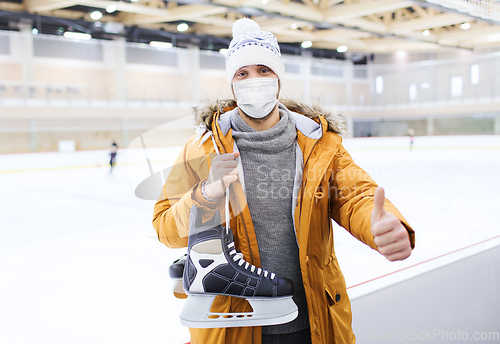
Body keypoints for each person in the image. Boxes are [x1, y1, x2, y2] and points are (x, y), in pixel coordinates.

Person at [153, 18, 415, 344]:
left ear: (279, 77)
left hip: (312, 321)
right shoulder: (201, 149)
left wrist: (385, 225)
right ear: (231, 84)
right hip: (233, 327)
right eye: (242, 73)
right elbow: (164, 226)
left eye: (264, 69)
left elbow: (355, 196)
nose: (254, 80)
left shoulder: (318, 144)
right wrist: (204, 195)